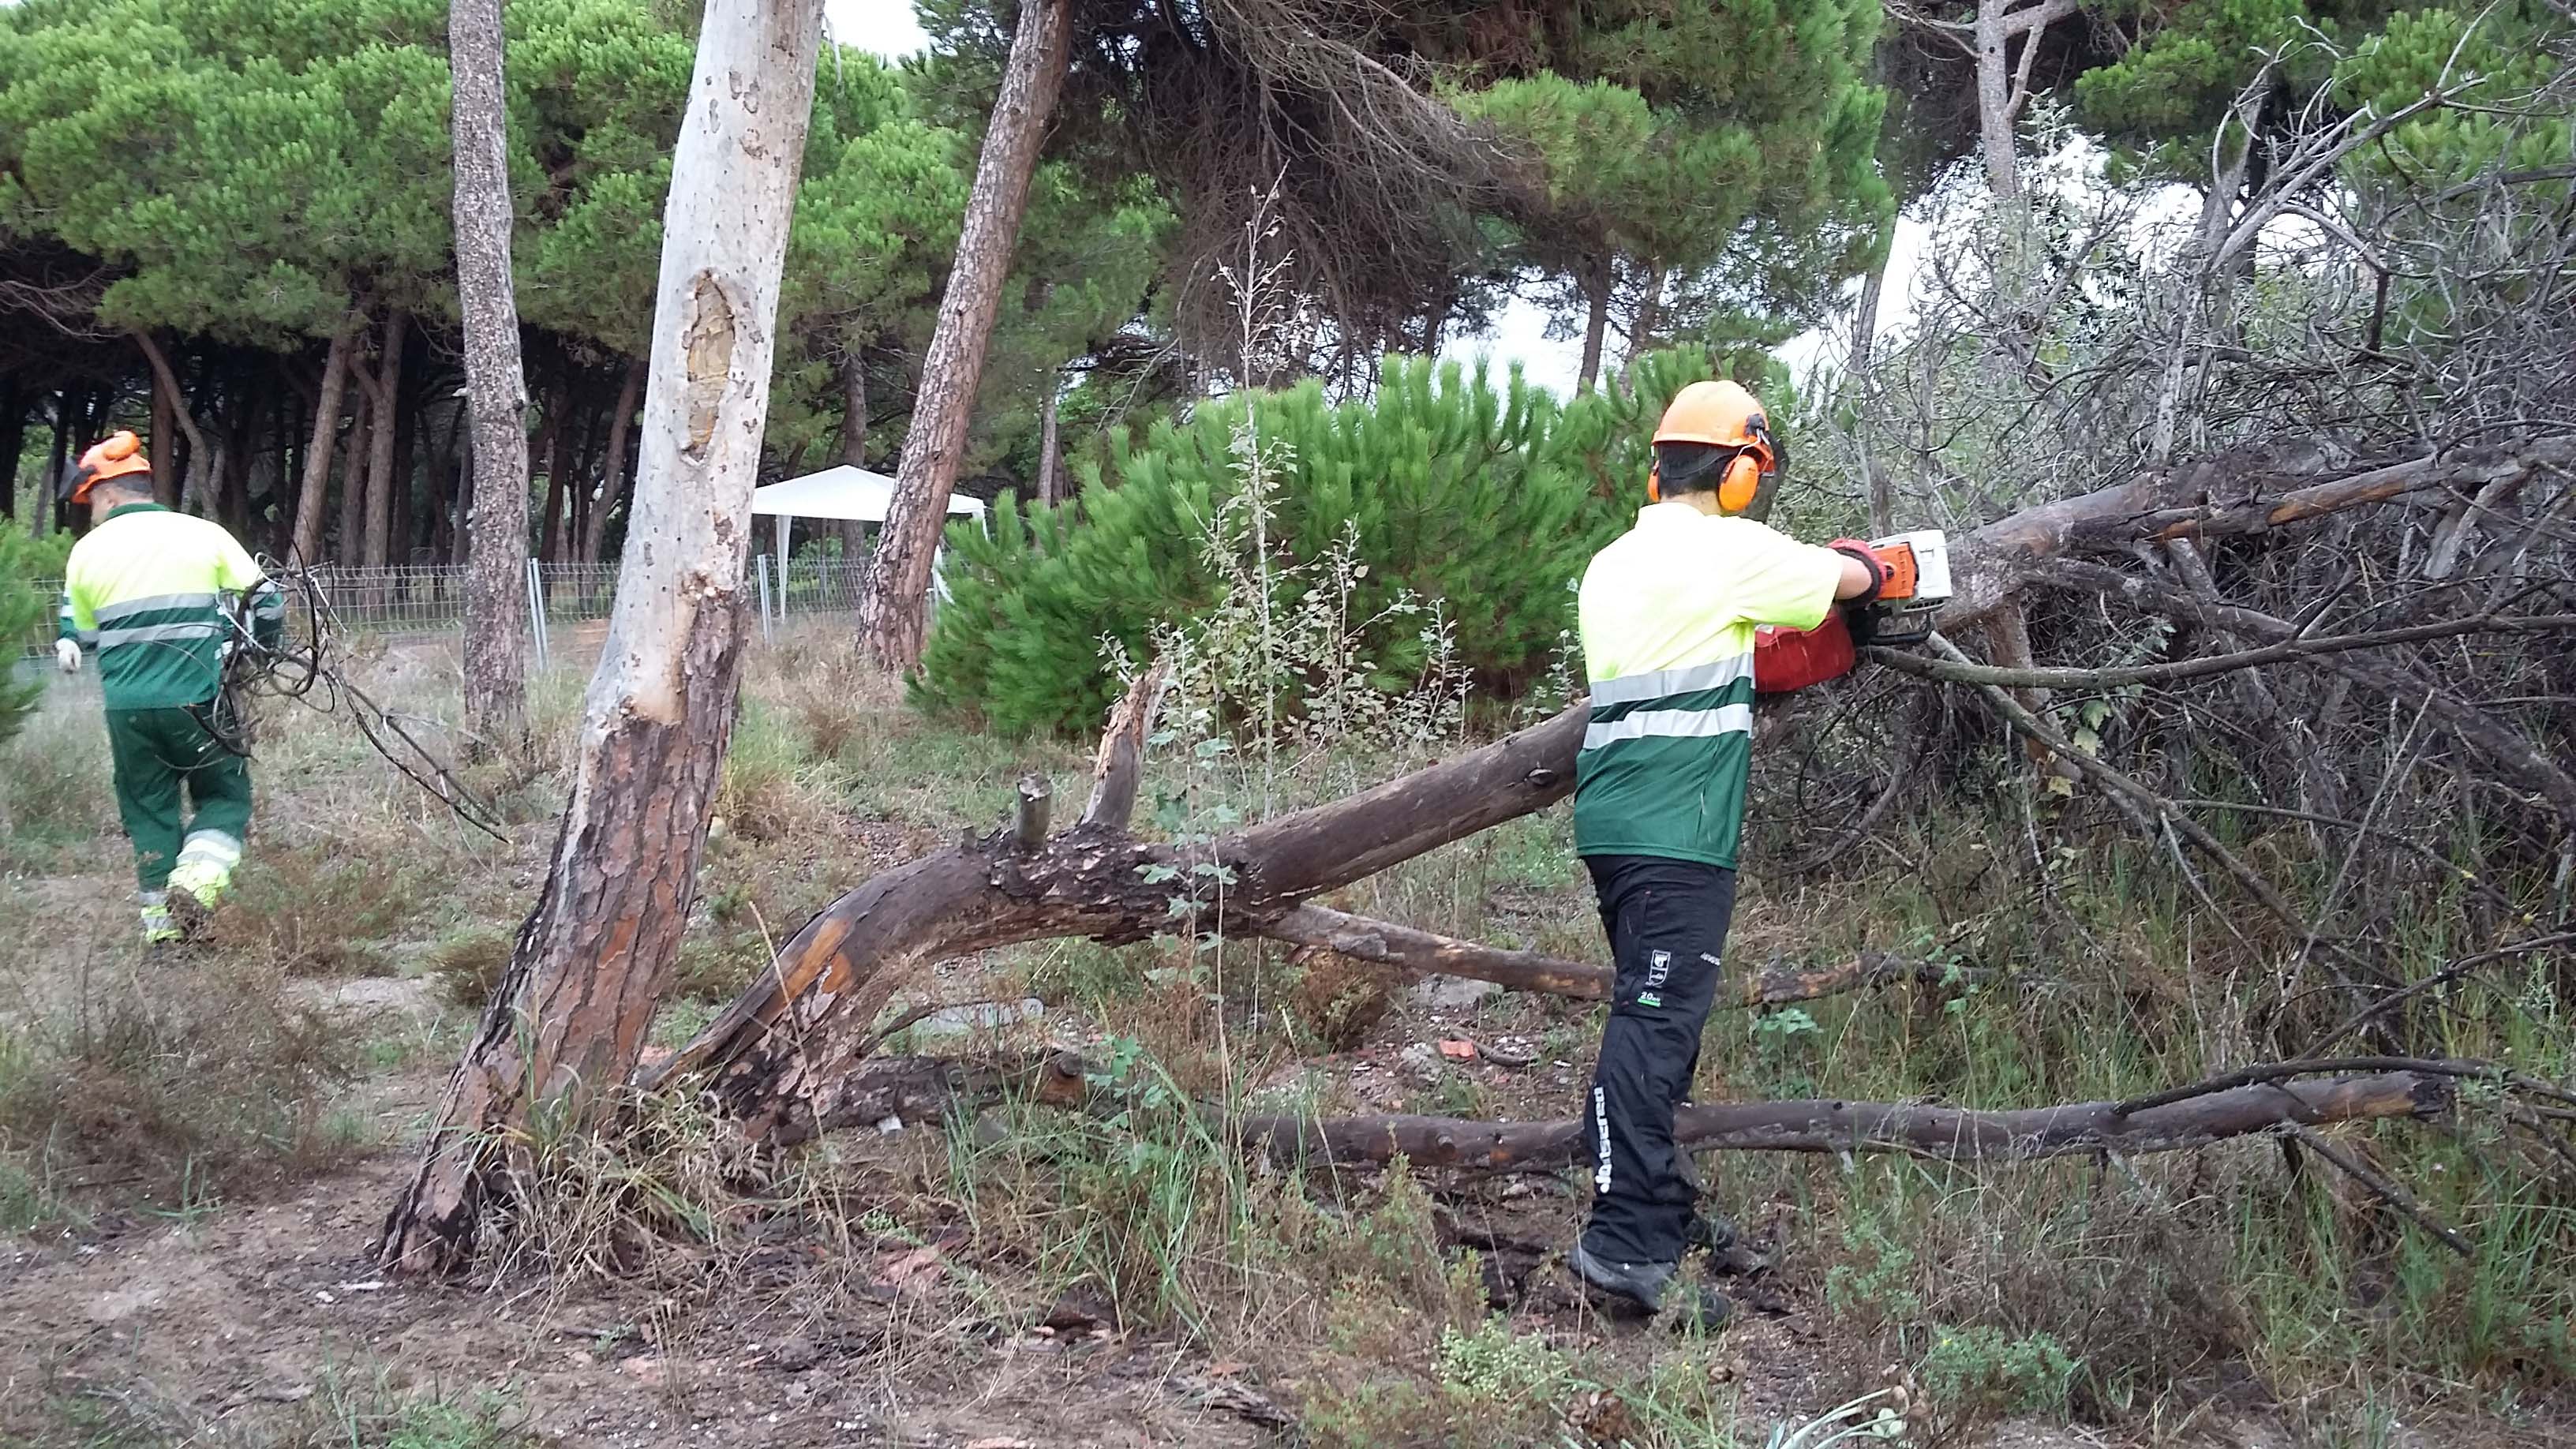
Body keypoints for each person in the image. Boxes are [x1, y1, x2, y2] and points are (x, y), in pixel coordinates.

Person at [1567, 381, 1893, 1327]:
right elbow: (1852, 583)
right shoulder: (1726, 549)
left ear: (1659, 464)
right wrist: (1877, 565)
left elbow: (1733, 652)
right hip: (1678, 834)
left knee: (1659, 1020)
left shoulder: (1613, 562)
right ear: (1742, 470)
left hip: (1618, 823)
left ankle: (1660, 1206)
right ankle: (1622, 1242)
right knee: (1654, 1028)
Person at [54, 431, 283, 944]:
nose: (89, 511)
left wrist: (70, 641)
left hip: (128, 710)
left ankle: (164, 938)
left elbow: (81, 635)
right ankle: (197, 884)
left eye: (89, 501)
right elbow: (267, 602)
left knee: (149, 811)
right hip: (201, 700)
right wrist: (255, 654)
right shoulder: (203, 534)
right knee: (225, 796)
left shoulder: (86, 553)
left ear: (108, 494)